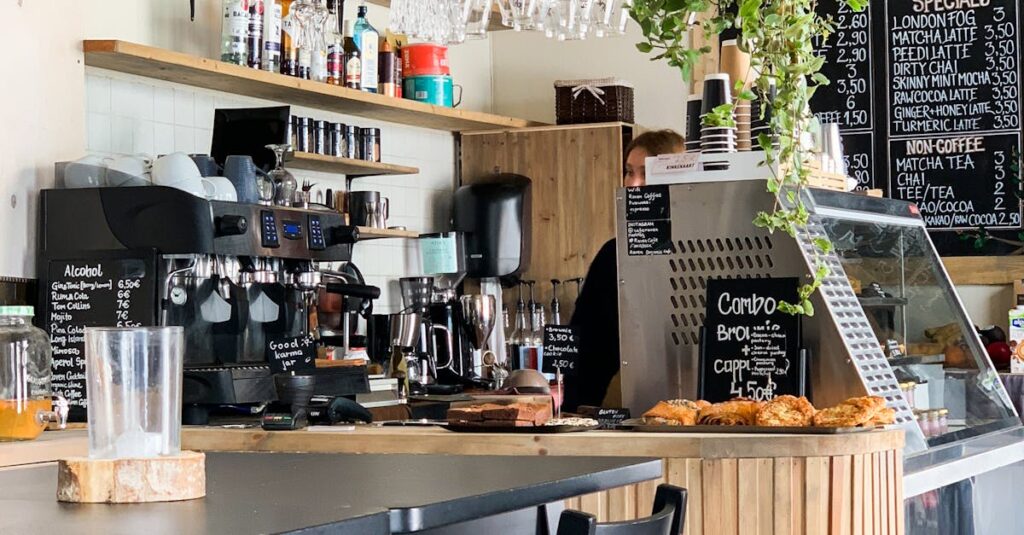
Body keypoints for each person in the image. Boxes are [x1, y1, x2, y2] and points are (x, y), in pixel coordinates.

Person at [563, 129, 685, 411]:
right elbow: (587, 343)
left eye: (646, 173)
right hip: (633, 412)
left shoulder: (700, 247)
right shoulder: (613, 254)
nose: (633, 184)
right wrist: (571, 412)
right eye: (629, 172)